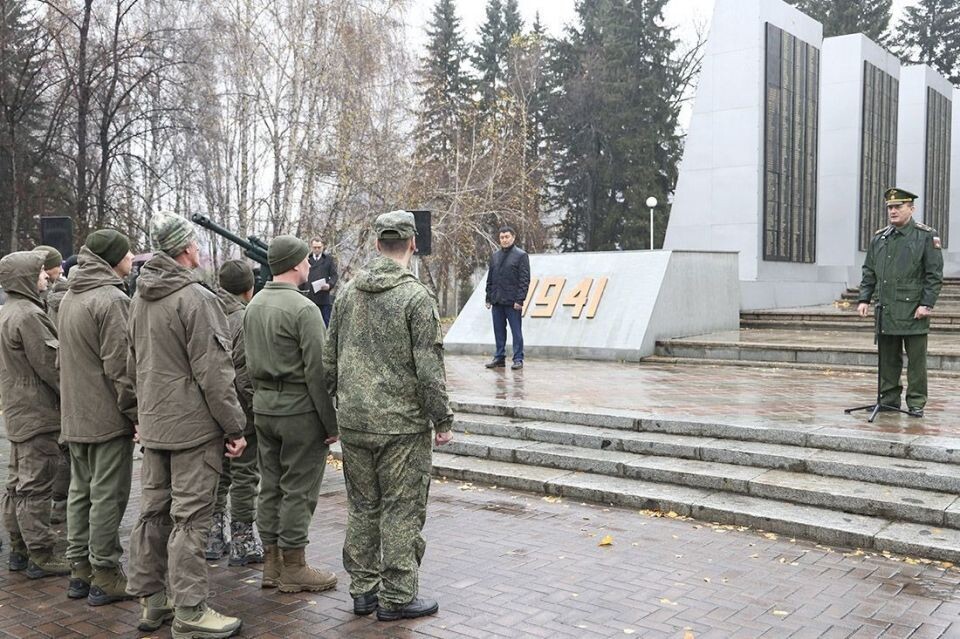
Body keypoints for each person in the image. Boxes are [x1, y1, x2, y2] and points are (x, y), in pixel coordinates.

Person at [324, 210, 454, 621]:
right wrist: (442, 418)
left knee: (363, 505)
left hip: (356, 422)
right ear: (412, 244)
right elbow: (429, 369)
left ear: (377, 243)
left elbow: (329, 360)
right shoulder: (416, 297)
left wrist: (342, 402)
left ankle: (363, 590)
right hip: (401, 425)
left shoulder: (346, 293)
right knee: (401, 508)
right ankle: (397, 596)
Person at [125, 212, 247, 639]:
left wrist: (135, 414)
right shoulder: (196, 298)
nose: (198, 250)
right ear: (185, 250)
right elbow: (216, 372)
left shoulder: (140, 296)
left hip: (155, 424)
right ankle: (191, 611)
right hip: (193, 429)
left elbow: (130, 364)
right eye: (194, 244)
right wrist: (234, 427)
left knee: (153, 514)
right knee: (191, 519)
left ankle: (152, 600)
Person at [244, 235, 339, 593]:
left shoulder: (254, 305)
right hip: (299, 412)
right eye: (305, 261)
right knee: (299, 489)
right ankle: (294, 567)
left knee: (270, 486)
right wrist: (330, 424)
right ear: (298, 264)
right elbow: (318, 371)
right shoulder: (304, 309)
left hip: (265, 408)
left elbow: (249, 363)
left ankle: (271, 565)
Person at [58, 230, 138, 605]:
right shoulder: (111, 299)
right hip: (105, 417)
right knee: (107, 496)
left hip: (75, 415)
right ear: (113, 259)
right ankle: (105, 574)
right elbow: (121, 369)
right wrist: (136, 412)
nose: (132, 257)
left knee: (80, 493)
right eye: (127, 252)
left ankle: (80, 571)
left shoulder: (71, 296)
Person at [0, 250, 71, 579]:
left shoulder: (8, 310)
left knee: (16, 484)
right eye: (40, 273)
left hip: (18, 410)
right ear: (26, 279)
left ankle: (19, 548)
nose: (46, 276)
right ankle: (40, 553)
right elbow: (52, 367)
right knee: (35, 485)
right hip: (37, 411)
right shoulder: (28, 314)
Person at [857, 187, 944, 417]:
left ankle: (916, 402)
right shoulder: (880, 237)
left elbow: (933, 275)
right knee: (887, 359)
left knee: (916, 361)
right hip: (886, 309)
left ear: (911, 209)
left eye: (898, 206)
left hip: (914, 309)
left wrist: (927, 304)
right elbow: (869, 271)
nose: (892, 211)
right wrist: (864, 297)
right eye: (890, 207)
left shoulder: (925, 236)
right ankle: (888, 399)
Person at [206, 260, 265, 566]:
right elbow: (244, 374)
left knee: (219, 474)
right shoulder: (245, 319)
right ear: (248, 288)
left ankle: (213, 537)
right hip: (240, 412)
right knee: (244, 475)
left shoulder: (207, 311)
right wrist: (257, 409)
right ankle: (243, 541)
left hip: (210, 409)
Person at [34, 244, 71, 525]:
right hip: (57, 383)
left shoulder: (39, 298)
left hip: (42, 388)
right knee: (63, 449)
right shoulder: (60, 298)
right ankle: (59, 502)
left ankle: (57, 502)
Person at [484, 226, 530, 370]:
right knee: (499, 330)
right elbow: (490, 278)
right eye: (502, 237)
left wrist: (520, 300)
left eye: (507, 237)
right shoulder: (495, 256)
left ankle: (518, 358)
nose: (504, 240)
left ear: (513, 237)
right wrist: (488, 297)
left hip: (512, 302)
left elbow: (524, 280)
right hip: (497, 300)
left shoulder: (521, 255)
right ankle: (499, 357)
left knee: (516, 331)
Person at [300, 237, 338, 326]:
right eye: (315, 247)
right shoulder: (306, 260)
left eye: (319, 247)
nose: (317, 249)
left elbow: (334, 275)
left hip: (323, 297)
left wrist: (329, 285)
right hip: (309, 297)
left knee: (325, 324)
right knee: (309, 324)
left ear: (323, 247)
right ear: (311, 247)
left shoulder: (328, 259)